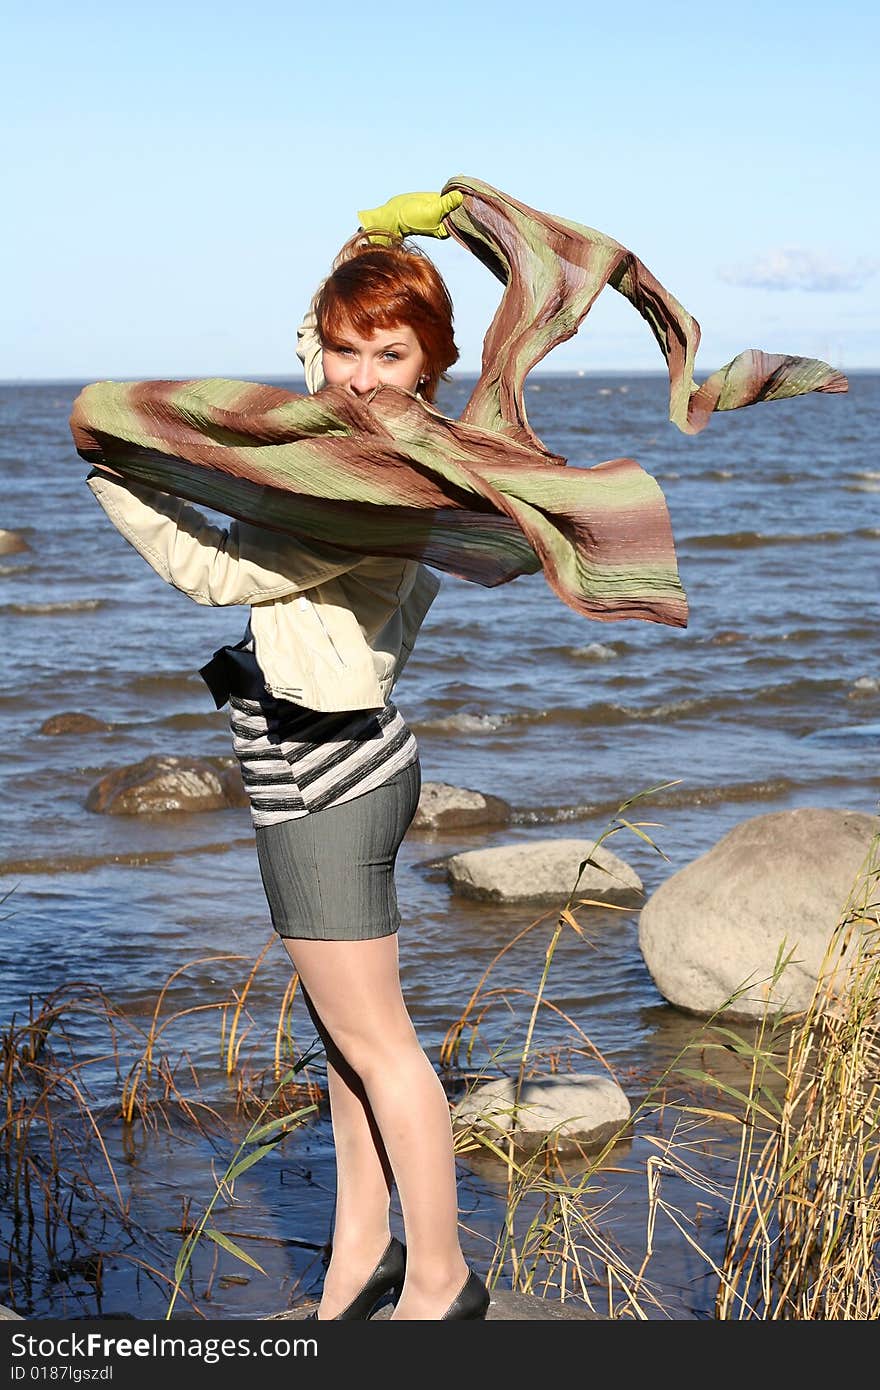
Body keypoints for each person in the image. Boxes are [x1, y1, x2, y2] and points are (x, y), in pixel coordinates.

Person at [84, 191, 492, 1321]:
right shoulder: (345, 429)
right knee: (344, 1049)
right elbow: (313, 340)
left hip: (328, 777)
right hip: (317, 763)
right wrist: (375, 244)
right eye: (348, 347)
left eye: (391, 352)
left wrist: (117, 477)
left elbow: (221, 575)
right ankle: (360, 1256)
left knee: (381, 1046)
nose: (359, 371)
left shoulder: (373, 483)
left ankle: (442, 1275)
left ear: (432, 363)